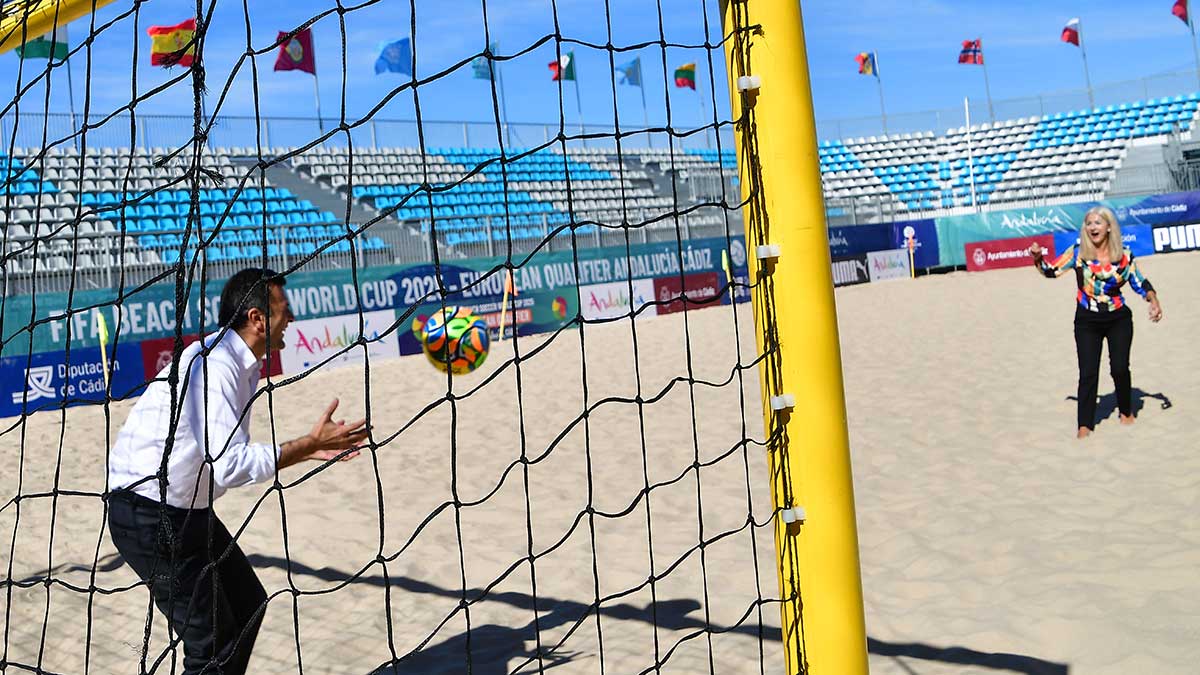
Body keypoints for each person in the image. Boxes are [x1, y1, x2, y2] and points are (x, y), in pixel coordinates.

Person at [106, 268, 369, 674]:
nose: (293, 318)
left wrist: (307, 450)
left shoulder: (238, 362)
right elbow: (229, 465)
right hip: (148, 514)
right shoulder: (215, 365)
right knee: (211, 643)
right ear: (257, 319)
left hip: (183, 510)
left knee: (247, 607)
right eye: (285, 309)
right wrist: (309, 445)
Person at [1028, 207, 1163, 439]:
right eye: (1089, 223)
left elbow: (1140, 282)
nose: (1092, 228)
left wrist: (1154, 300)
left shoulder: (1124, 255)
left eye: (1098, 223)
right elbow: (1051, 271)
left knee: (1119, 368)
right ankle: (1085, 425)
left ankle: (1126, 410)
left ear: (1109, 226)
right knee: (1088, 373)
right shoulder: (1078, 253)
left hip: (1118, 317)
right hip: (1087, 320)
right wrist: (1038, 258)